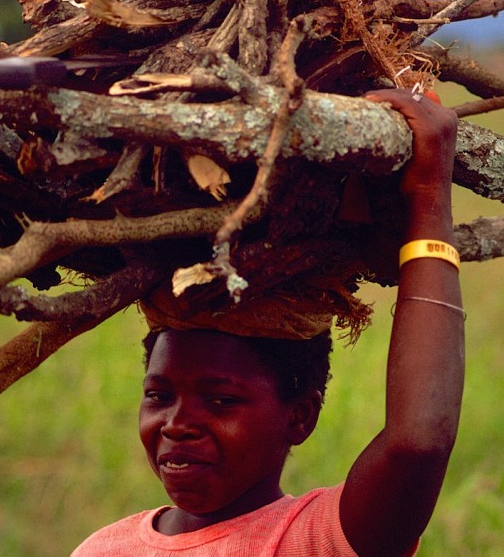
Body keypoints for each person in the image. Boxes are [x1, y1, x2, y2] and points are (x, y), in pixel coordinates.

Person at [71, 89, 464, 556]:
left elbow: (417, 444)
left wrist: (428, 195)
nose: (177, 425)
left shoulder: (317, 539)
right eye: (159, 395)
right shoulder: (103, 549)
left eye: (220, 401)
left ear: (299, 417)